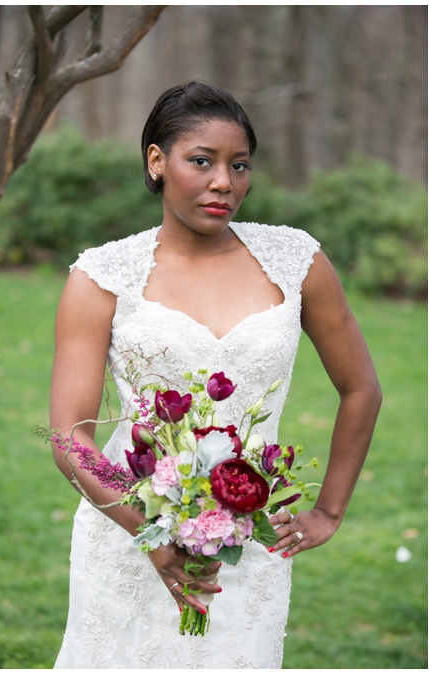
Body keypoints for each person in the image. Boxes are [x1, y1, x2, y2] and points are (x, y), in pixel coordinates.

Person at [49, 81, 381, 668]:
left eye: (240, 165)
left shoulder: (295, 261)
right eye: (201, 161)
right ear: (157, 161)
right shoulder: (101, 276)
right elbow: (70, 436)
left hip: (248, 544)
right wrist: (147, 532)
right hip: (126, 535)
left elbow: (362, 390)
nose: (224, 182)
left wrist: (328, 511)